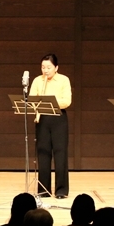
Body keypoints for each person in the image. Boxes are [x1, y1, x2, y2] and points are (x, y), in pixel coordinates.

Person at [30, 53, 71, 198]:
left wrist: (49, 102)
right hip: (42, 118)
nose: (45, 70)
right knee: (43, 153)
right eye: (43, 67)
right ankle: (43, 189)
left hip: (59, 118)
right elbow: (32, 99)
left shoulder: (64, 80)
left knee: (60, 154)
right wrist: (40, 103)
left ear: (56, 68)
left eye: (48, 67)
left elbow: (67, 101)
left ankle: (61, 190)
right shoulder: (37, 80)